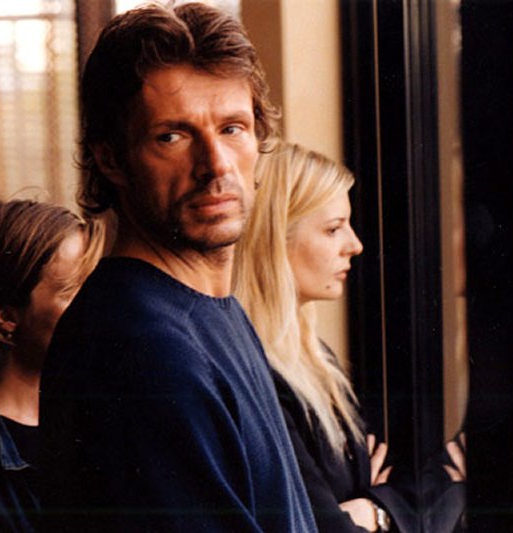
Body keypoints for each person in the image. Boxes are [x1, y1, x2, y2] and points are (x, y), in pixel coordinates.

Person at [38, 3, 316, 531]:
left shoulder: (206, 310)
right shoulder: (142, 350)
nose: (216, 165)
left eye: (232, 128)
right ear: (111, 159)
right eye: (172, 136)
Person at [234, 142, 465, 532]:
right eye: (333, 229)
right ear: (274, 240)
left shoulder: (314, 359)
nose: (355, 245)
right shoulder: (259, 376)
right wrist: (380, 511)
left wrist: (369, 506)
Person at [0, 200, 102, 532]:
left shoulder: (111, 411)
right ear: (7, 316)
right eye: (73, 292)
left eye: (96, 286)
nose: (97, 306)